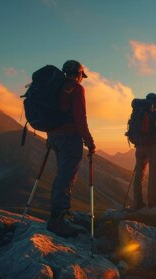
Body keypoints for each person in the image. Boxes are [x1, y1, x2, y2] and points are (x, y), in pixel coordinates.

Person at [46, 60, 95, 237]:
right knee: (66, 177)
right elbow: (80, 118)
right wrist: (89, 141)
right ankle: (58, 221)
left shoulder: (57, 87)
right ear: (79, 74)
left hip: (55, 136)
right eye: (82, 75)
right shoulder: (77, 88)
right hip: (69, 137)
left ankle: (57, 215)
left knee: (62, 175)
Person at [132, 93, 156, 209]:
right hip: (153, 148)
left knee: (139, 174)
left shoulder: (137, 113)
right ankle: (152, 201)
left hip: (139, 146)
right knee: (153, 174)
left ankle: (137, 202)